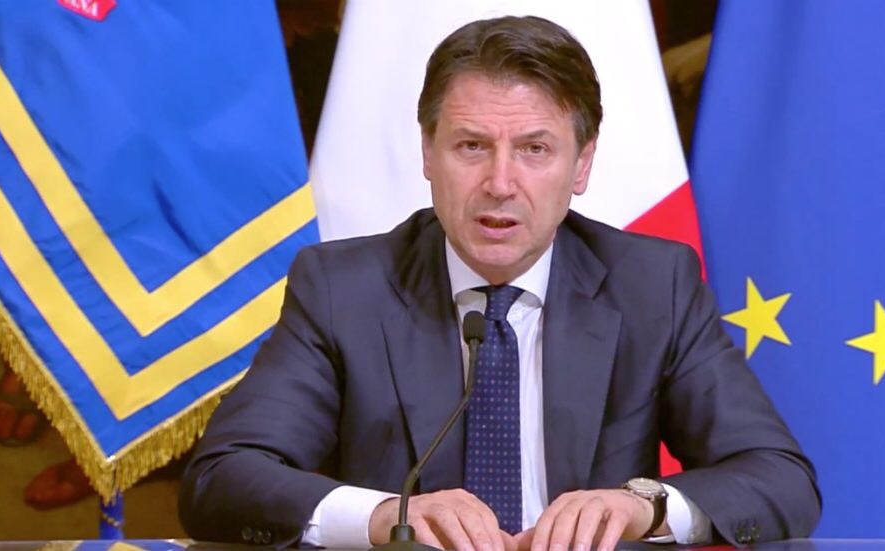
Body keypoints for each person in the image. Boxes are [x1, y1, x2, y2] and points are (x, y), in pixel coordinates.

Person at [179, 15, 821, 550]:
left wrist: (641, 506)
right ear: (428, 153)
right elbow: (222, 479)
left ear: (581, 164)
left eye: (535, 149)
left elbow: (780, 479)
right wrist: (383, 517)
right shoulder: (343, 289)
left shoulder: (653, 285)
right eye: (471, 146)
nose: (500, 183)